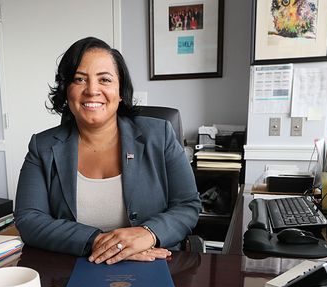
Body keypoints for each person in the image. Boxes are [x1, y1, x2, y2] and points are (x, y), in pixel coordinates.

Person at [14, 37, 201, 265]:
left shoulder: (159, 134)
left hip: (155, 262)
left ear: (120, 90)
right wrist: (103, 243)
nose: (92, 90)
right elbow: (29, 219)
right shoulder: (42, 147)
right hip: (74, 266)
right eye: (79, 79)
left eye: (104, 79)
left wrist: (147, 234)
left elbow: (188, 205)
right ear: (66, 90)